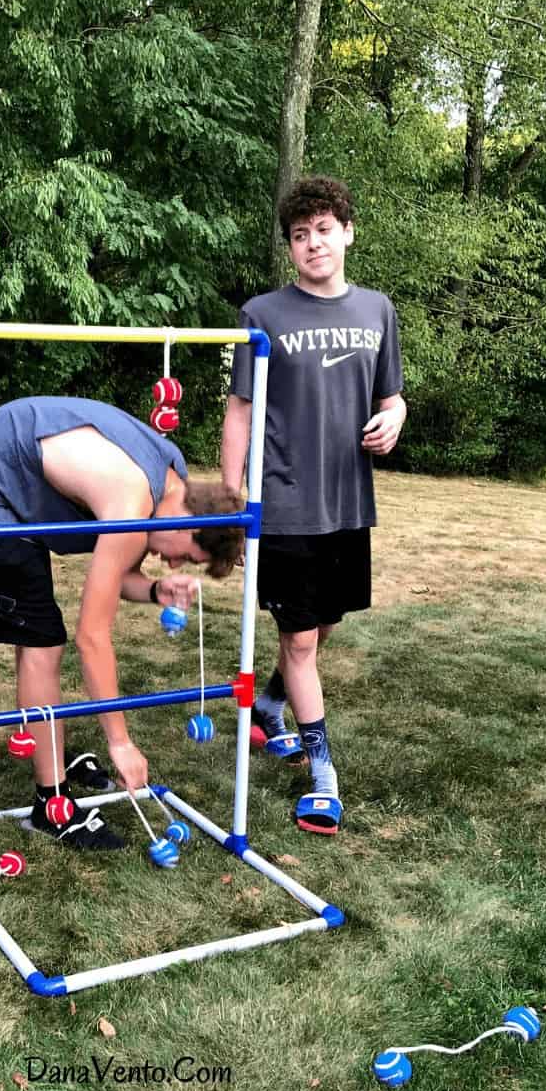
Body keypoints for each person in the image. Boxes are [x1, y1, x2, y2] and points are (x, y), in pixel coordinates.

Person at [0, 395, 245, 850]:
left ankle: (54, 756)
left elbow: (121, 576)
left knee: (40, 634)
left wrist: (156, 590)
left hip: (15, 479)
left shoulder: (169, 481)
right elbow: (93, 636)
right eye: (185, 555)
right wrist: (119, 741)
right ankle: (51, 804)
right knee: (43, 642)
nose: (170, 560)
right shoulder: (131, 501)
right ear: (188, 520)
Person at [222, 175, 406, 835]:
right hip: (285, 502)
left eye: (324, 229)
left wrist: (397, 418)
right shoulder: (263, 314)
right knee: (299, 638)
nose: (313, 243)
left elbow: (392, 396)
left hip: (349, 500)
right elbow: (240, 410)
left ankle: (270, 706)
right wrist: (235, 495)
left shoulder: (378, 311)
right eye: (300, 236)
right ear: (291, 249)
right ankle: (322, 770)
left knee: (326, 625)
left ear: (348, 232)